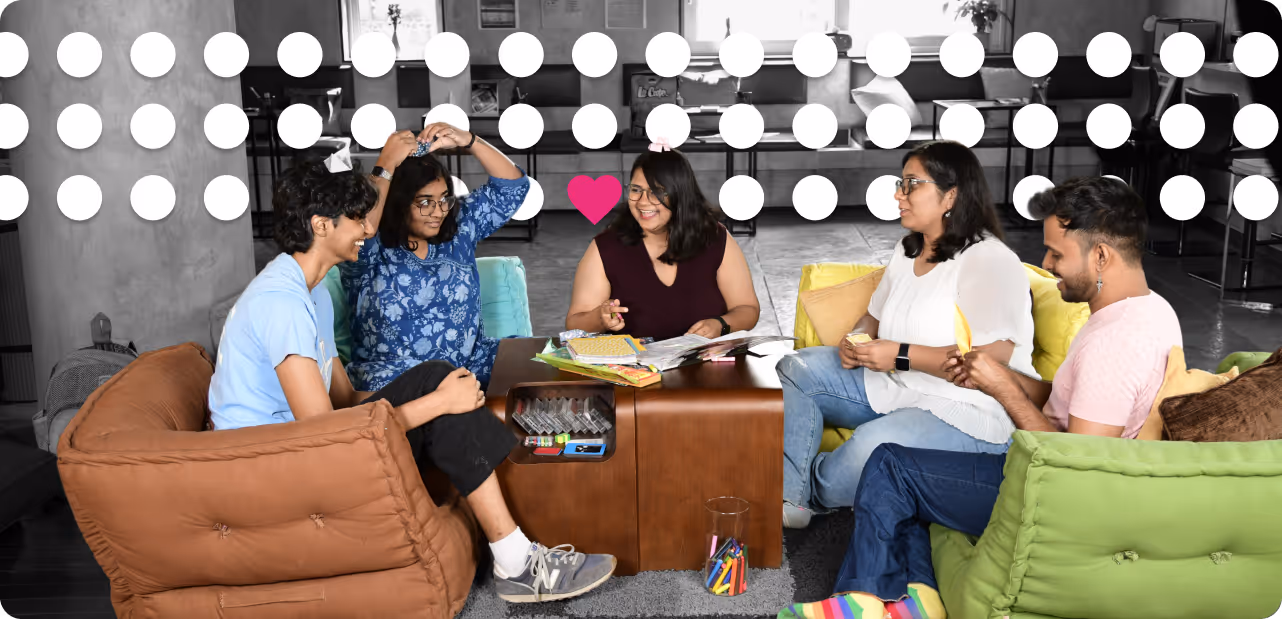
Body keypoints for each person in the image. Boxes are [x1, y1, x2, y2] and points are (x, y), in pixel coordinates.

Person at [209, 160, 615, 604]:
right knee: (439, 389)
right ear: (321, 226)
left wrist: (436, 396)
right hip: (268, 461)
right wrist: (436, 404)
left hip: (300, 443)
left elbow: (344, 397)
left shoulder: (311, 292)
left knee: (438, 376)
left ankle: (514, 555)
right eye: (357, 219)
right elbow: (324, 435)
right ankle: (517, 561)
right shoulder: (281, 303)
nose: (368, 228)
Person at [778, 176, 1181, 619]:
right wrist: (997, 376)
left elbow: (1076, 467)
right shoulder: (1147, 309)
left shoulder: (1116, 341)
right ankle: (914, 599)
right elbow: (1073, 402)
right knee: (912, 470)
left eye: (1057, 253)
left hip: (1050, 493)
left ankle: (862, 599)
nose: (1047, 265)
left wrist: (1003, 389)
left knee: (891, 466)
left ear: (1101, 255)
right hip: (1044, 470)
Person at [777, 141, 1036, 529]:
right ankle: (791, 500)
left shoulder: (989, 260)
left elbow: (988, 361)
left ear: (951, 196)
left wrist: (900, 354)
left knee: (872, 448)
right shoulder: (907, 249)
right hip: (895, 384)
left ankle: (809, 488)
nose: (898, 194)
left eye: (911, 184)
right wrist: (856, 339)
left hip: (967, 407)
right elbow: (873, 316)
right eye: (900, 183)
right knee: (796, 368)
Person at [340, 123, 529, 391]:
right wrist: (386, 164)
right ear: (398, 202)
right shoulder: (368, 248)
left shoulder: (459, 229)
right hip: (394, 377)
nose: (438, 211)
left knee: (531, 360)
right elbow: (362, 227)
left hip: (469, 367)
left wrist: (469, 140)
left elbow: (513, 188)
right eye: (425, 202)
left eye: (443, 199)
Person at [565, 144, 760, 341]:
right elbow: (574, 323)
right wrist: (599, 318)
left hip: (708, 359)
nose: (643, 202)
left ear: (681, 194)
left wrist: (721, 325)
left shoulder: (716, 238)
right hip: (634, 361)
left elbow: (747, 309)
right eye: (636, 190)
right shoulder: (606, 247)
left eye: (657, 192)